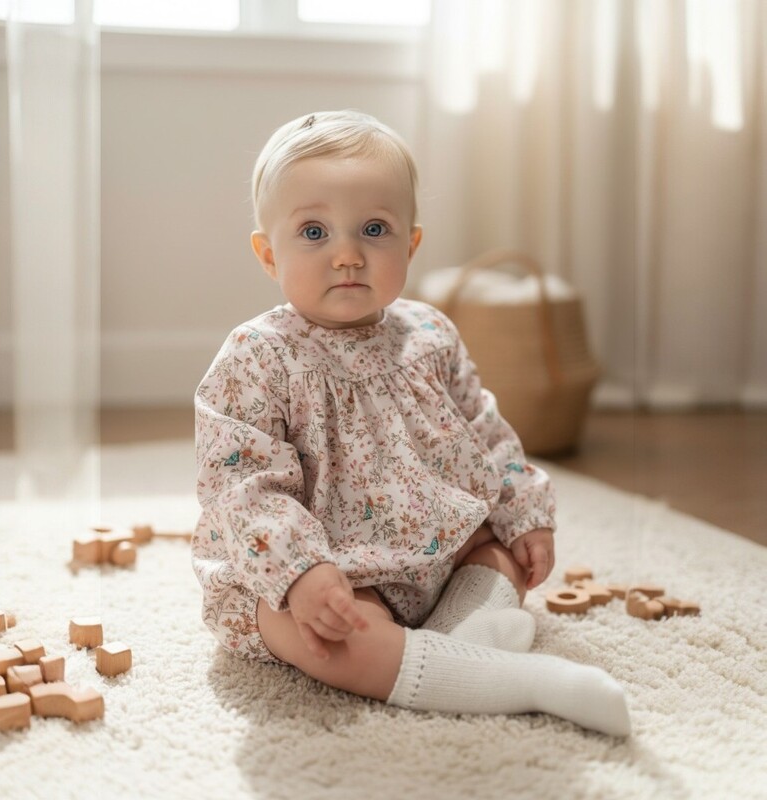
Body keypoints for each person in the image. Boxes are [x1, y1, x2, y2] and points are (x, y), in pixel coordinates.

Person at [191, 110, 630, 737]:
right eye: (313, 232)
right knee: (327, 640)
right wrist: (301, 571)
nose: (347, 254)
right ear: (269, 254)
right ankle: (524, 682)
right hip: (325, 571)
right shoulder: (257, 356)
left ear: (410, 245)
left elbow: (485, 430)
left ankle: (459, 645)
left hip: (436, 550)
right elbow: (240, 486)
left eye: (374, 229)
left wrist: (524, 511)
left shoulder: (430, 335)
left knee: (503, 554)